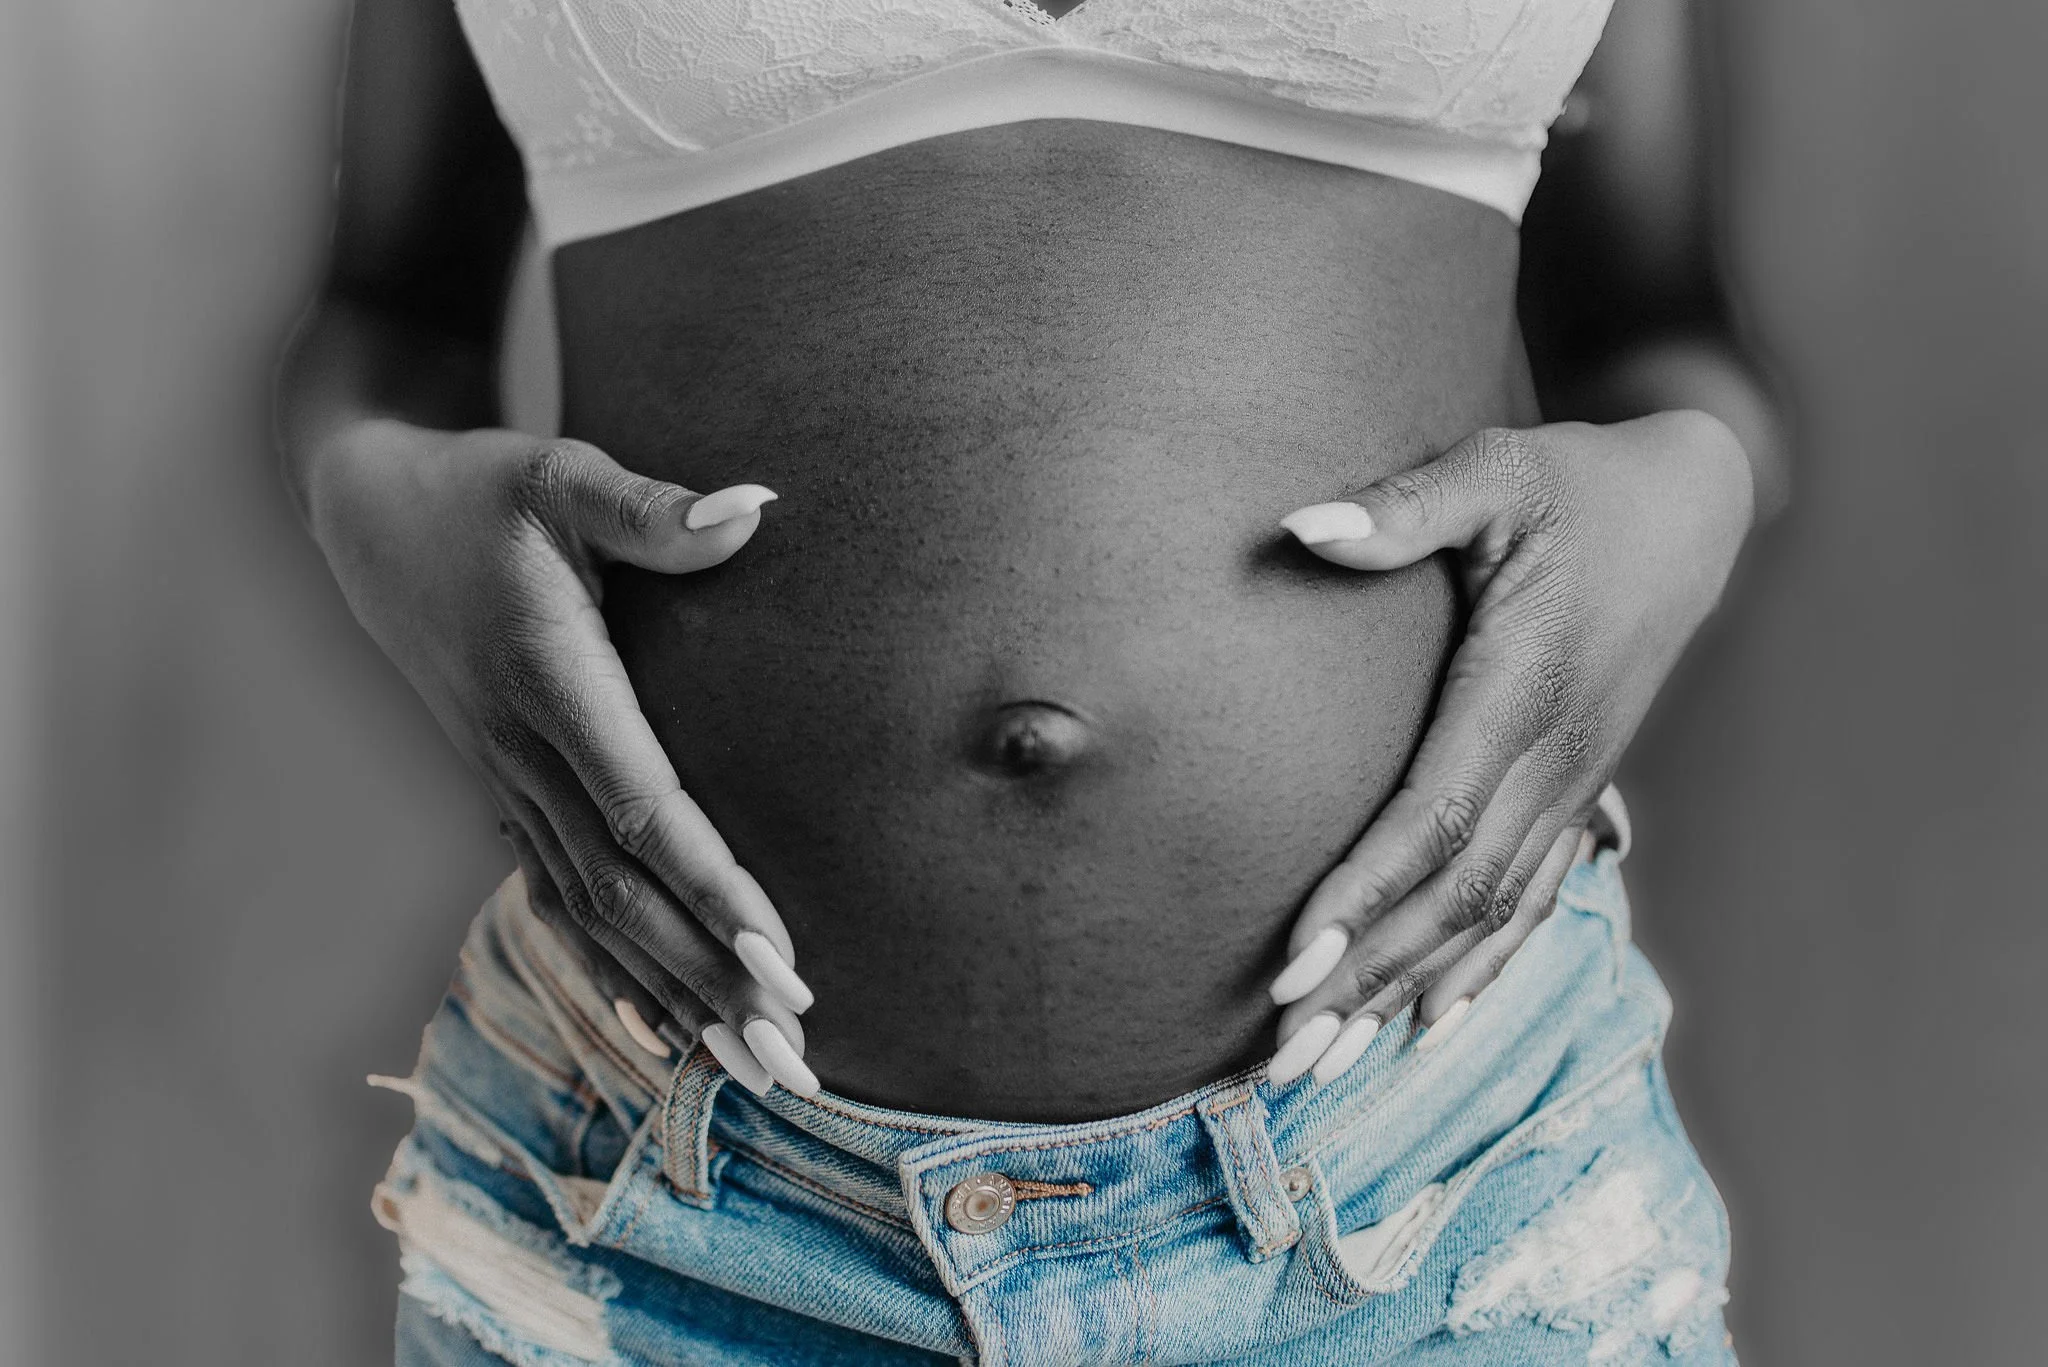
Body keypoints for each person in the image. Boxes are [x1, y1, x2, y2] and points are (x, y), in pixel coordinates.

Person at [279, 0, 1781, 1360]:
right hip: (669, 1201)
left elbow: (1661, 334)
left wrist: (1684, 492)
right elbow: (389, 334)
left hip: (1437, 1165)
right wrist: (381, 515)